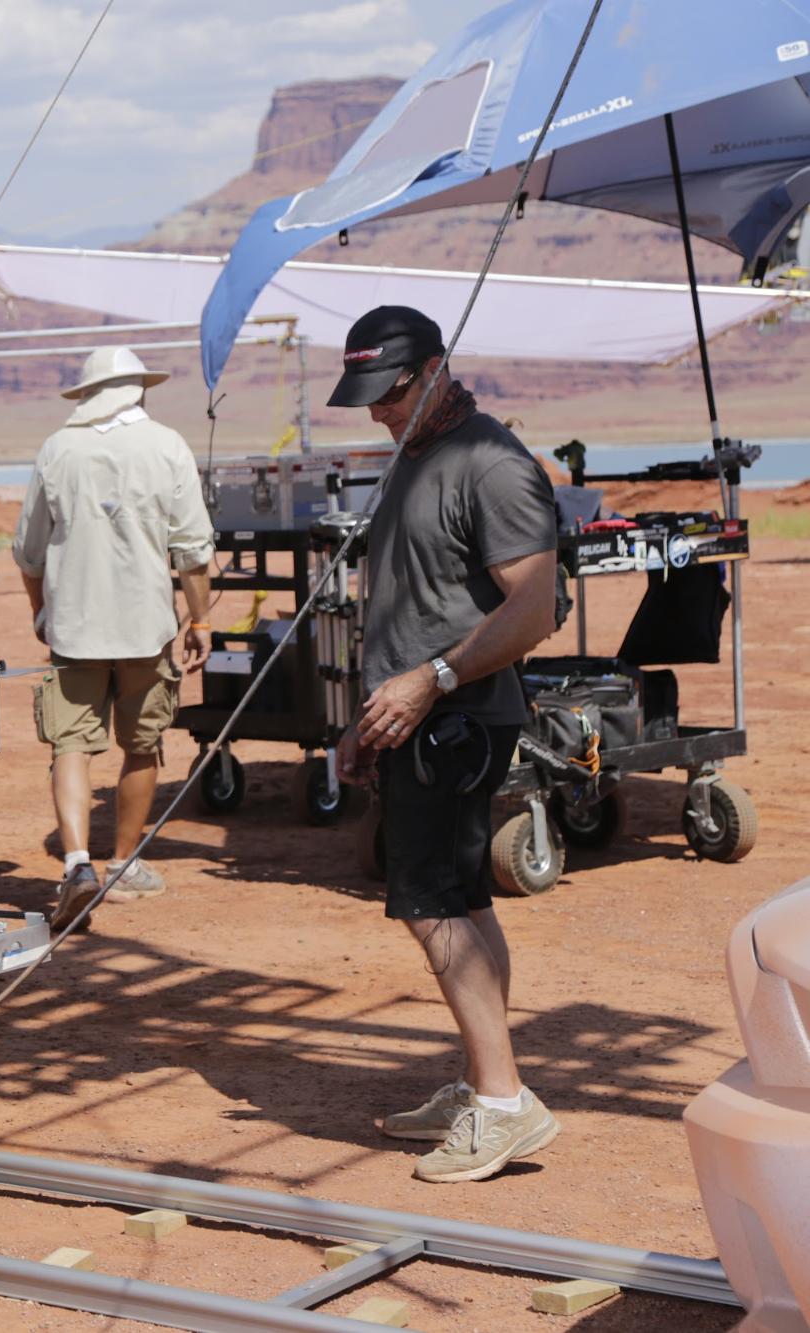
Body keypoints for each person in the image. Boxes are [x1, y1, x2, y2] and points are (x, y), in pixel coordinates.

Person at [329, 306, 560, 1184]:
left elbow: (532, 609)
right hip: (419, 715)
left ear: (434, 368)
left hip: (454, 718)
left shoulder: (492, 464)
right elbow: (410, 603)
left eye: (389, 394)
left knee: (429, 904)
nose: (377, 414)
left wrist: (433, 680)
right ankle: (481, 1081)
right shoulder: (414, 456)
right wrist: (366, 716)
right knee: (462, 897)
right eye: (366, 400)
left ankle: (502, 1103)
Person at [13, 347, 213, 930]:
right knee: (142, 744)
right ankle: (123, 865)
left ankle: (77, 863)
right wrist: (200, 621)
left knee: (70, 745)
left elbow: (28, 552)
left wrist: (41, 613)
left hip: (74, 629)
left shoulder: (58, 448)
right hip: (146, 628)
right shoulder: (167, 445)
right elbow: (193, 550)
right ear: (138, 391)